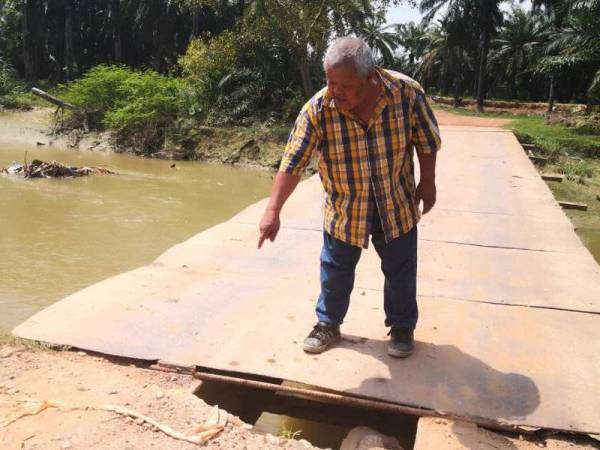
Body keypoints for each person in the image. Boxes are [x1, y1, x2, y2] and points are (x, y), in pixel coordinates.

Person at [257, 36, 441, 358]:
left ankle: (401, 326)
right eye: (329, 82)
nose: (335, 91)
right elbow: (293, 162)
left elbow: (425, 140)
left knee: (400, 267)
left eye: (344, 85)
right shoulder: (318, 108)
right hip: (345, 206)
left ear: (370, 78)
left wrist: (428, 182)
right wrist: (273, 210)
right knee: (336, 267)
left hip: (394, 201)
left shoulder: (406, 93)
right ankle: (328, 323)